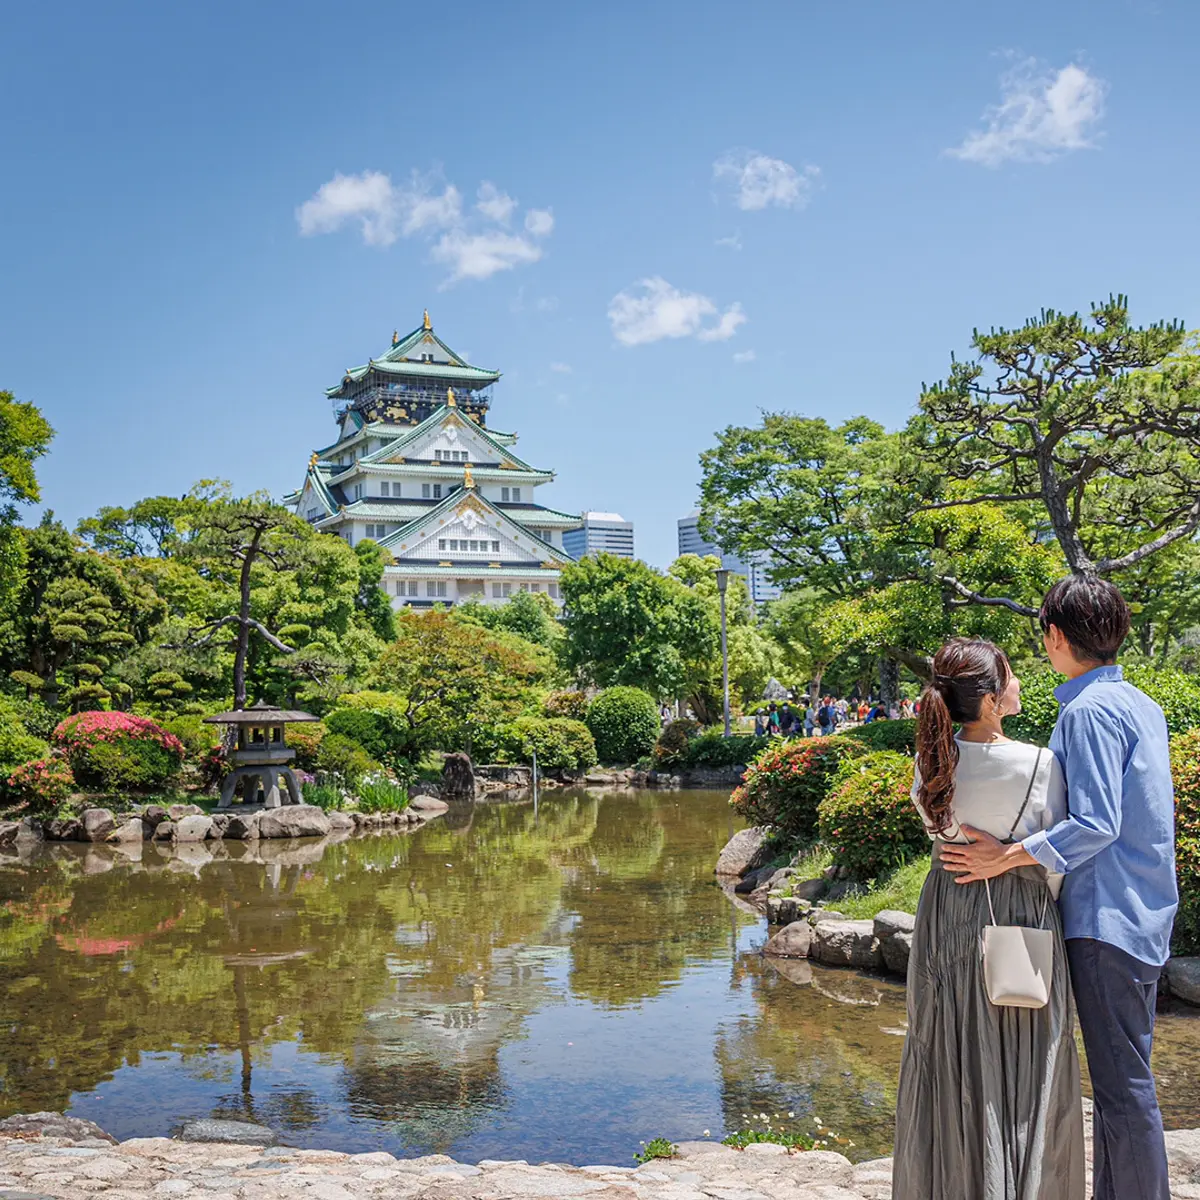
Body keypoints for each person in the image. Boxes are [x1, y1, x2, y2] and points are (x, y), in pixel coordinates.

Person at [941, 578, 1177, 1200]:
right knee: (1124, 1081)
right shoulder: (1140, 703)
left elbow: (1097, 823)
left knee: (1123, 1089)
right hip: (1142, 912)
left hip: (1105, 920)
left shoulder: (1088, 711)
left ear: (1054, 635)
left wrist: (1008, 856)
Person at [893, 637, 1084, 1199]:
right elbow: (1055, 862)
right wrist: (1017, 871)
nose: (1019, 680)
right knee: (1024, 1055)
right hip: (1019, 912)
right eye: (1011, 673)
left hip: (946, 907)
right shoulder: (1038, 763)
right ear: (991, 697)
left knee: (946, 1047)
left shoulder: (931, 761)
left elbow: (939, 835)